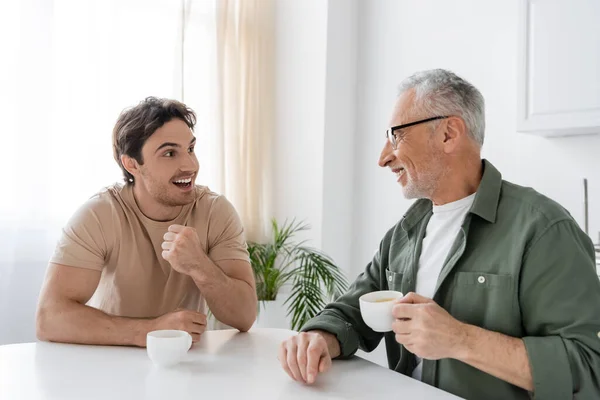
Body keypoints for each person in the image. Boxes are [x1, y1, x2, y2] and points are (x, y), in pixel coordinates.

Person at [278, 69, 600, 399]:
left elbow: (587, 369)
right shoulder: (404, 233)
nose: (383, 157)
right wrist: (320, 336)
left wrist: (460, 339)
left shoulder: (543, 229)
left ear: (448, 133)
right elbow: (352, 312)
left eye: (395, 135)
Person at [36, 97, 257, 347]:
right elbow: (49, 317)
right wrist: (150, 331)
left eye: (191, 149)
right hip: (109, 362)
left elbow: (244, 317)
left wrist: (200, 266)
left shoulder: (215, 212)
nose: (190, 165)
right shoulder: (99, 215)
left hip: (185, 364)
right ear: (131, 164)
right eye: (170, 153)